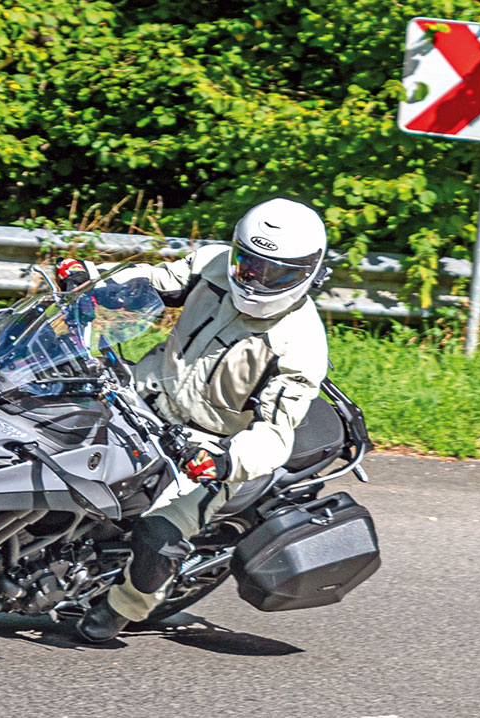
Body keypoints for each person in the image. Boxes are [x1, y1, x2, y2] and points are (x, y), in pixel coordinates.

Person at [57, 197, 331, 643]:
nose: (255, 280)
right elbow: (153, 282)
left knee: (158, 533)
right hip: (141, 395)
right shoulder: (214, 264)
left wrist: (222, 462)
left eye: (274, 274)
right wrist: (92, 279)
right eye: (248, 265)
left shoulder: (301, 345)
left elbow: (275, 435)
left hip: (207, 447)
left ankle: (124, 607)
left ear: (307, 272)